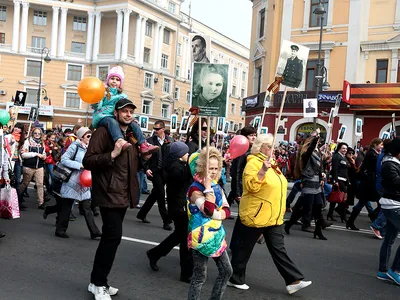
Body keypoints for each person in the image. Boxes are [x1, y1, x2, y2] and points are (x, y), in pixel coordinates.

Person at [228, 134, 312, 294]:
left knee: (279, 249)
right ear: (260, 148)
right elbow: (250, 186)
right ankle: (235, 278)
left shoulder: (272, 163)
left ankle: (293, 280)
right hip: (257, 214)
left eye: (273, 146)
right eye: (269, 146)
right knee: (244, 249)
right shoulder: (253, 163)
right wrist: (261, 172)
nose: (273, 149)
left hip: (273, 216)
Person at [83, 98, 140, 300]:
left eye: (131, 111)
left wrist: (144, 160)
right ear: (115, 113)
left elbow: (132, 164)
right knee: (112, 237)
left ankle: (97, 281)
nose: (128, 114)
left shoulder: (130, 134)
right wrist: (113, 153)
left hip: (123, 193)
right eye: (124, 111)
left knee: (111, 238)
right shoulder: (103, 132)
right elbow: (88, 160)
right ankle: (99, 284)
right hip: (109, 192)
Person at [187, 147, 232, 300]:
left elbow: (226, 211)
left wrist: (218, 214)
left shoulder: (216, 186)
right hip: (200, 236)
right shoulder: (194, 189)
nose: (213, 172)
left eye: (216, 168)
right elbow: (208, 210)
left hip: (216, 234)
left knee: (227, 271)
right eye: (210, 168)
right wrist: (207, 189)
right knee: (200, 275)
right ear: (201, 168)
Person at [146, 142, 193, 283]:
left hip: (181, 205)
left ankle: (154, 254)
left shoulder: (179, 164)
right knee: (184, 240)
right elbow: (181, 176)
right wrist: (193, 165)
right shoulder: (173, 166)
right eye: (186, 153)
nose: (188, 155)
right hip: (178, 208)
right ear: (179, 154)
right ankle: (186, 273)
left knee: (179, 236)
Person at [91, 66, 158, 155]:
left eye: (117, 79)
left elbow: (126, 110)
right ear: (108, 80)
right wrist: (95, 102)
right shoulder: (103, 92)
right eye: (112, 78)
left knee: (133, 125)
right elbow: (98, 105)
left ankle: (143, 144)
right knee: (112, 122)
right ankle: (120, 141)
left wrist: (133, 118)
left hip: (117, 116)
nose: (114, 81)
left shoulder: (122, 95)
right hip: (104, 116)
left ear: (120, 83)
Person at [52, 127, 101, 239]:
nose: (90, 138)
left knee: (87, 207)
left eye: (91, 136)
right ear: (81, 137)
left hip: (85, 181)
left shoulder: (92, 148)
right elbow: (64, 159)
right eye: (88, 136)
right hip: (72, 180)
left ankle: (94, 231)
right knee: (67, 206)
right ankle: (60, 230)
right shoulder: (75, 146)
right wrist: (80, 165)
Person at [285, 129, 327, 240]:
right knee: (306, 208)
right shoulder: (306, 154)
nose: (318, 142)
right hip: (308, 182)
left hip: (316, 182)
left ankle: (318, 231)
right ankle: (289, 223)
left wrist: (322, 173)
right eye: (316, 141)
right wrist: (316, 137)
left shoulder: (317, 152)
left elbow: (319, 166)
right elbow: (310, 152)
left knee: (317, 207)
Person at [136, 120, 173, 230]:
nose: (155, 131)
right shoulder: (149, 141)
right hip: (154, 171)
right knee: (161, 194)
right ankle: (166, 221)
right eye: (154, 129)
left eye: (157, 129)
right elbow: (143, 156)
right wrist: (146, 168)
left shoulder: (169, 141)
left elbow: (172, 156)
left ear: (163, 129)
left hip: (165, 172)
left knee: (155, 194)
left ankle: (142, 213)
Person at [377, 138, 400, 284]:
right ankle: (395, 270)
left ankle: (383, 271)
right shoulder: (389, 163)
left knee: (390, 238)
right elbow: (396, 181)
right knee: (390, 239)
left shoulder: (392, 162)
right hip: (393, 204)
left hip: (394, 203)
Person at [347, 138, 383, 230]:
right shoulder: (372, 153)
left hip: (370, 182)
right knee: (377, 201)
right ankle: (373, 219)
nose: (382, 147)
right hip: (369, 183)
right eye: (381, 145)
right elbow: (378, 161)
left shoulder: (375, 153)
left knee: (369, 202)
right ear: (375, 145)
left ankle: (351, 221)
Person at [19, 127, 46, 209]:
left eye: (39, 133)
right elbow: (23, 155)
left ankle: (41, 203)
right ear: (32, 133)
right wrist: (36, 154)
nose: (37, 135)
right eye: (35, 133)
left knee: (40, 184)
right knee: (24, 184)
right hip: (29, 166)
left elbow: (44, 153)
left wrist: (44, 156)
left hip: (39, 167)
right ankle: (17, 198)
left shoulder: (42, 143)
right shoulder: (28, 142)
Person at [4, 123, 26, 209]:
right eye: (16, 127)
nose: (17, 129)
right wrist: (10, 143)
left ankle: (17, 203)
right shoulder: (9, 136)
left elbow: (20, 151)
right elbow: (5, 147)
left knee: (17, 181)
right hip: (9, 161)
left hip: (17, 161)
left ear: (21, 130)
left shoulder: (22, 139)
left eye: (19, 128)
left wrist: (23, 151)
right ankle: (6, 201)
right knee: (7, 181)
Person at [327, 142, 349, 222]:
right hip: (338, 179)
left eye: (346, 149)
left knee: (335, 197)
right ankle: (343, 216)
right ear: (339, 148)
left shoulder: (344, 157)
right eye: (343, 148)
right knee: (342, 198)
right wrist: (335, 180)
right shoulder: (336, 156)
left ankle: (330, 213)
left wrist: (348, 180)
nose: (345, 150)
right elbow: (335, 169)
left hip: (343, 179)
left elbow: (345, 170)